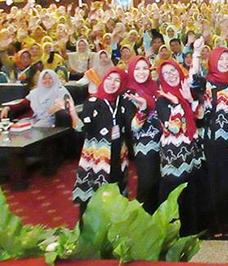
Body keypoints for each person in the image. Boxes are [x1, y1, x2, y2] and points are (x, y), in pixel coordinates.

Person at [72, 67, 138, 217]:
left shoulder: (123, 102)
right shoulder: (93, 101)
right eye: (109, 78)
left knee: (117, 189)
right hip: (97, 155)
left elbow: (133, 125)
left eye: (117, 80)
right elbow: (82, 128)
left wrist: (141, 107)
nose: (112, 83)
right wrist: (72, 113)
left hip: (118, 152)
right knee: (94, 195)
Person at [157, 60, 205, 236]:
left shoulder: (185, 92)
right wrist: (178, 104)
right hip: (174, 155)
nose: (171, 75)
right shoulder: (162, 99)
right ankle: (172, 234)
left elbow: (200, 118)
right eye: (166, 73)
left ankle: (191, 231)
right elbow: (174, 128)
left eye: (173, 71)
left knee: (191, 191)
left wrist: (189, 100)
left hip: (191, 150)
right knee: (173, 193)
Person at [199, 45, 228, 236]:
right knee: (213, 181)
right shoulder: (206, 83)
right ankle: (217, 223)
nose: (224, 62)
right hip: (211, 140)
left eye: (227, 59)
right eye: (220, 59)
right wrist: (196, 54)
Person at [125, 56, 162, 214]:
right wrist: (143, 109)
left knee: (159, 182)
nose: (141, 72)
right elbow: (133, 127)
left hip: (162, 142)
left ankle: (158, 219)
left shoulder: (155, 87)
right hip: (144, 145)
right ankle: (142, 219)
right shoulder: (129, 93)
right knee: (147, 184)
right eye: (137, 69)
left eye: (145, 68)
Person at [0, 69, 72, 128]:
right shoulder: (35, 93)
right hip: (34, 118)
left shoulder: (60, 90)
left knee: (35, 128)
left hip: (51, 119)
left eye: (50, 78)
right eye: (44, 79)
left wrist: (58, 108)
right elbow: (22, 104)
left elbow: (68, 105)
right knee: (18, 127)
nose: (47, 81)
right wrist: (7, 108)